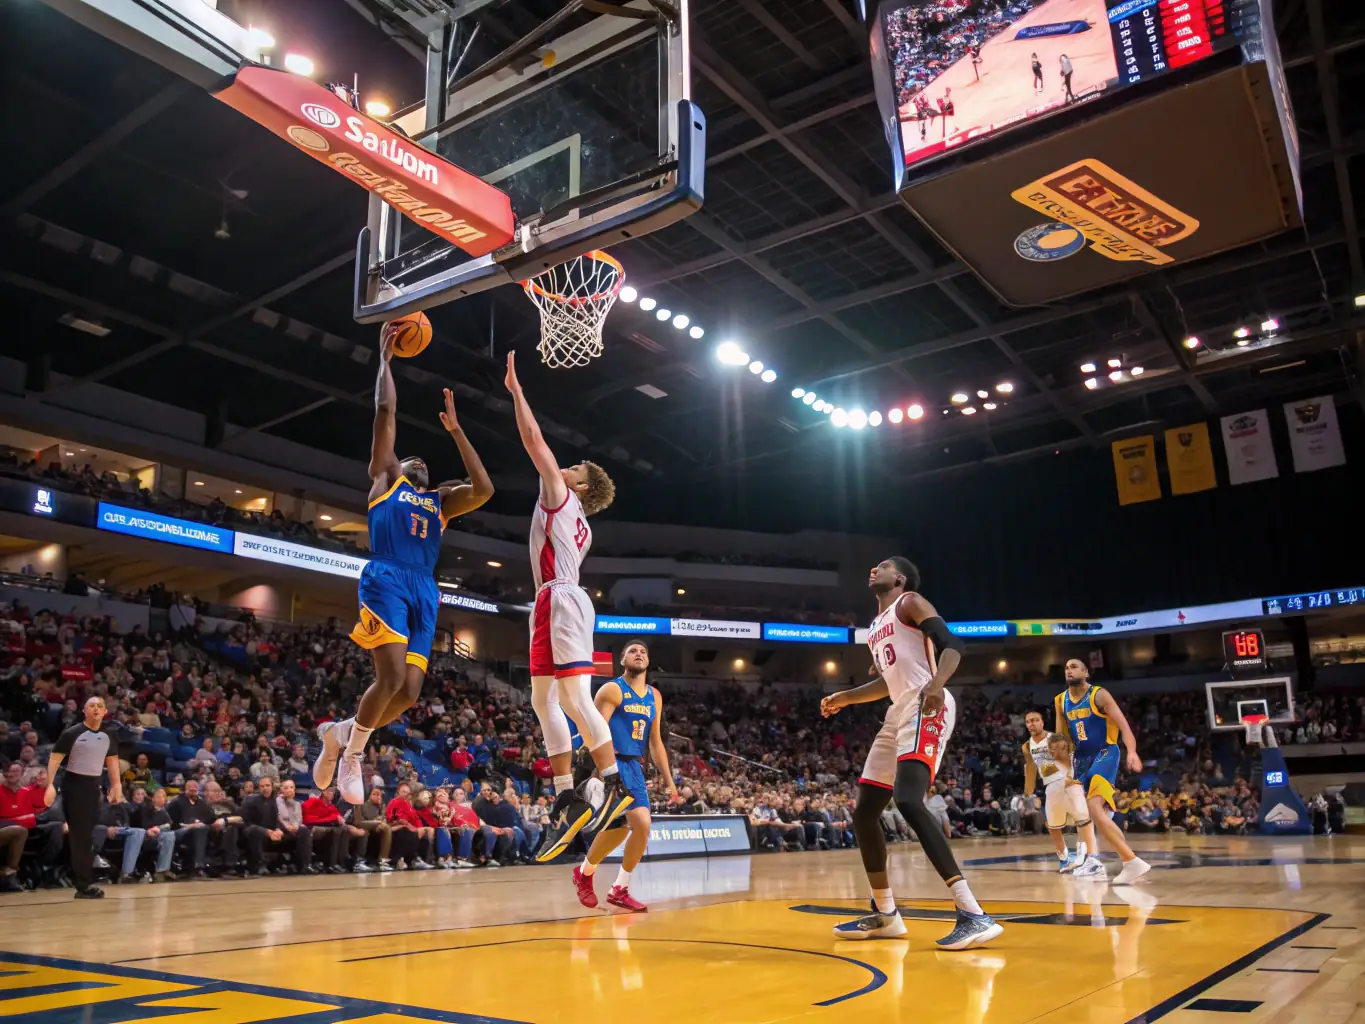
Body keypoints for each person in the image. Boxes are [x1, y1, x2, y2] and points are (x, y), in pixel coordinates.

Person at [314, 326, 494, 804]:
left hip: (424, 588)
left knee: (411, 692)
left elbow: (484, 490)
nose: (419, 463)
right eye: (412, 458)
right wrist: (385, 362)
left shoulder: (439, 503)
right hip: (387, 576)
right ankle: (352, 752)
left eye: (425, 462)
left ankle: (341, 732)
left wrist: (456, 432)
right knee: (389, 678)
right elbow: (386, 412)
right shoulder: (387, 479)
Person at [820, 557, 1002, 949]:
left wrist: (937, 684)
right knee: (866, 811)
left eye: (882, 566)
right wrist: (844, 698)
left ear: (898, 578)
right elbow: (887, 685)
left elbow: (954, 643)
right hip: (899, 709)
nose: (873, 569)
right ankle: (886, 914)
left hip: (927, 702)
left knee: (907, 799)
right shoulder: (875, 627)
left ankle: (973, 913)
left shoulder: (910, 602)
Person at [503, 350, 627, 861]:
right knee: (542, 701)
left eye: (574, 467)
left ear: (579, 484)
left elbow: (534, 443)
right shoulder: (582, 522)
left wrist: (517, 392)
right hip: (551, 600)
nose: (566, 466)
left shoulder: (562, 496)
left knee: (576, 700)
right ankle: (567, 799)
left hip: (561, 597)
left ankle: (614, 783)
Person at [573, 640, 679, 912]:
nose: (639, 654)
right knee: (639, 823)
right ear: (623, 660)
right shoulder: (612, 690)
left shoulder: (654, 696)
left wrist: (670, 782)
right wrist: (603, 770)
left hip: (634, 766)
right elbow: (596, 733)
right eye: (632, 651)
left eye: (643, 651)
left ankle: (597, 879)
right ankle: (602, 881)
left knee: (628, 830)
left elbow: (655, 742)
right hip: (612, 761)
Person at [1055, 659, 1150, 884]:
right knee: (1092, 815)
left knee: (1093, 807)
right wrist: (1063, 764)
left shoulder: (1099, 695)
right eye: (1066, 667)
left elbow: (1124, 726)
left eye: (1074, 666)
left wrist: (1133, 752)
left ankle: (1129, 861)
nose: (1069, 670)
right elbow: (1062, 738)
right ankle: (1128, 862)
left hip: (1105, 752)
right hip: (1080, 759)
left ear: (1086, 672)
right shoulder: (1061, 700)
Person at [43, 696, 122, 899]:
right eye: (92, 706)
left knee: (89, 835)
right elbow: (55, 758)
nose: (96, 709)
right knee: (81, 837)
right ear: (84, 710)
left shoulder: (109, 734)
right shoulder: (72, 733)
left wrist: (116, 784)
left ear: (105, 711)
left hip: (94, 787)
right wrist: (50, 784)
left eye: (100, 706)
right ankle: (83, 885)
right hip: (74, 786)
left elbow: (112, 760)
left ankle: (80, 877)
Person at [1022, 712, 1098, 875]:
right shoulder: (1027, 746)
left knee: (1082, 819)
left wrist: (1073, 776)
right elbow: (1031, 767)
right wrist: (1028, 789)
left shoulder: (1054, 738)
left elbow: (1071, 756)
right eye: (1028, 722)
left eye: (1035, 720)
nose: (1032, 724)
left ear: (1042, 722)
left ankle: (1084, 855)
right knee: (1053, 825)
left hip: (1067, 781)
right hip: (1050, 785)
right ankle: (1064, 857)